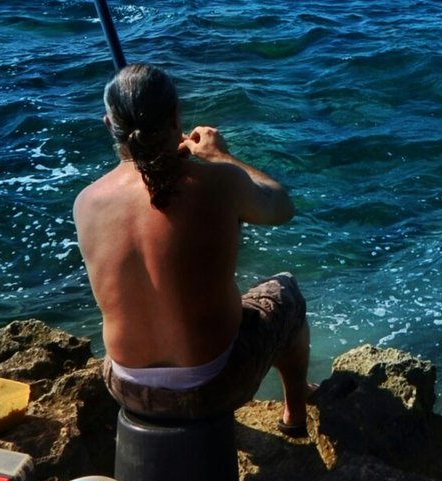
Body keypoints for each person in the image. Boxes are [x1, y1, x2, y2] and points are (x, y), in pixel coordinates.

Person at [74, 63, 310, 434]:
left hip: (126, 387)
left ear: (109, 124)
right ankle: (295, 417)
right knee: (286, 292)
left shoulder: (86, 201)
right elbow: (281, 206)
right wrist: (222, 158)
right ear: (176, 116)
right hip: (213, 385)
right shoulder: (221, 183)